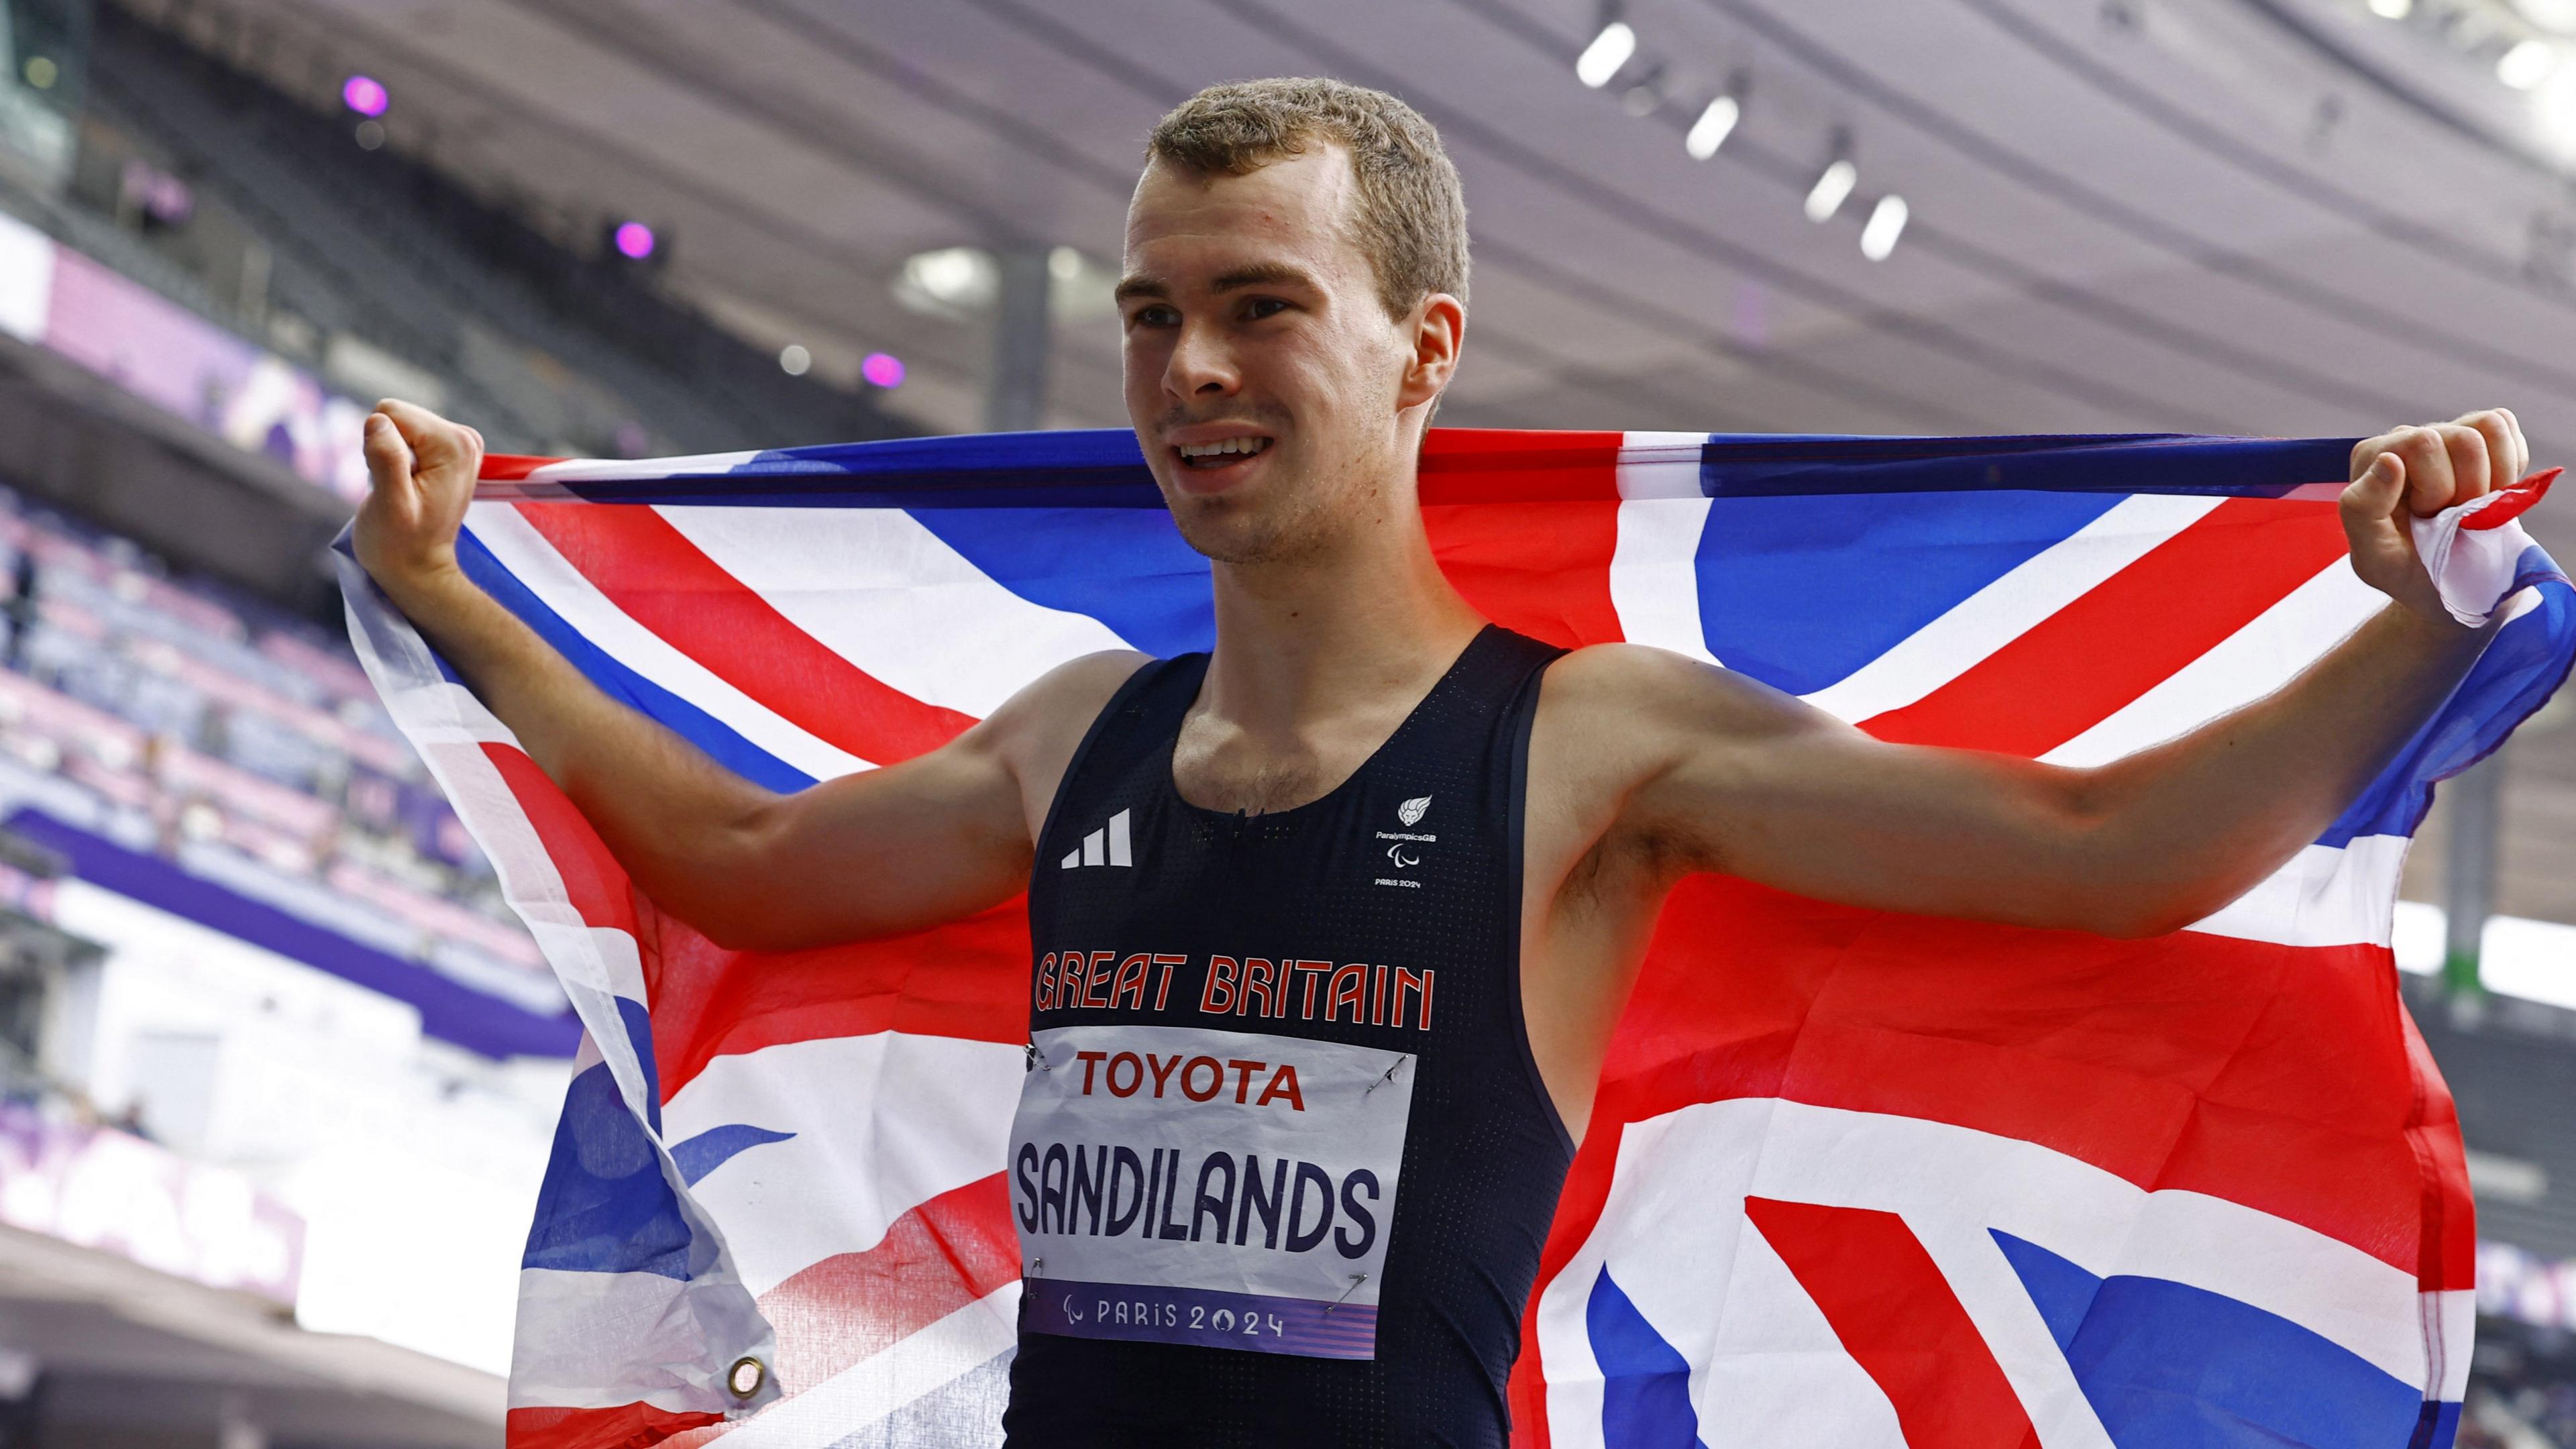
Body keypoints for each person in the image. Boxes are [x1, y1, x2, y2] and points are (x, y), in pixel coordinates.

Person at [353, 77, 2526, 1449]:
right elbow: (737, 856)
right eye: (1148, 309)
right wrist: (456, 600)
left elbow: (2111, 845)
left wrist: (2410, 617)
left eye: (1261, 305)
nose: (1188, 367)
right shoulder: (1073, 742)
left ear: (1423, 349)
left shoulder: (1594, 750)